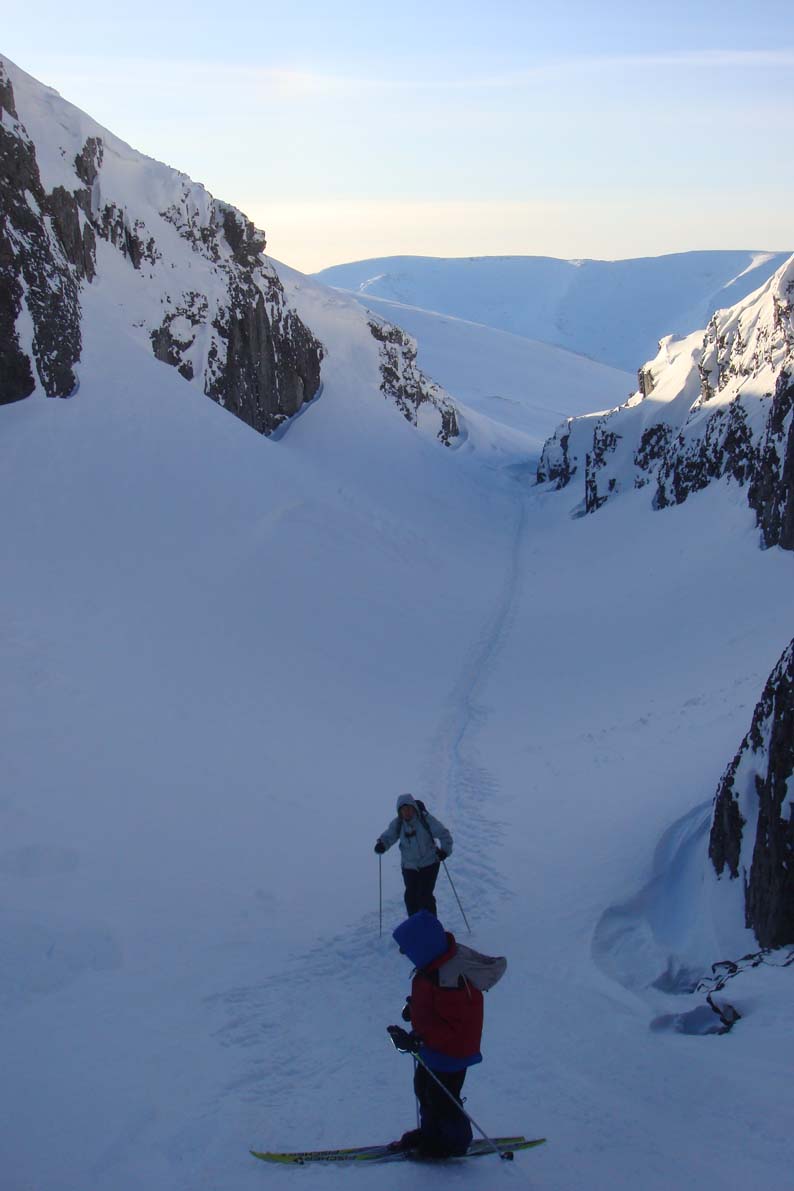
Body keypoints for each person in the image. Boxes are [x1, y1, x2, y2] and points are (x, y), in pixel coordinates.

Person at [386, 910, 483, 1158]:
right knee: (423, 1088)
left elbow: (455, 1025)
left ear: (423, 946)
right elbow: (432, 1002)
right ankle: (432, 1133)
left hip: (453, 1051)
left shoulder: (451, 980)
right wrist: (413, 1009)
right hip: (434, 1048)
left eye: (407, 948)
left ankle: (453, 1142)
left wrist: (419, 1039)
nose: (403, 953)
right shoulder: (432, 967)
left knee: (442, 1098)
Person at [374, 794, 453, 917]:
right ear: (399, 812)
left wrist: (444, 851)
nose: (407, 812)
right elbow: (389, 836)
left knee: (424, 896)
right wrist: (382, 844)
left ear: (414, 808)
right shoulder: (398, 823)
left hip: (429, 863)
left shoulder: (425, 820)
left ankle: (431, 924)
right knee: (410, 898)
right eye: (403, 810)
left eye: (409, 808)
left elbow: (444, 834)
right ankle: (415, 924)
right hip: (409, 867)